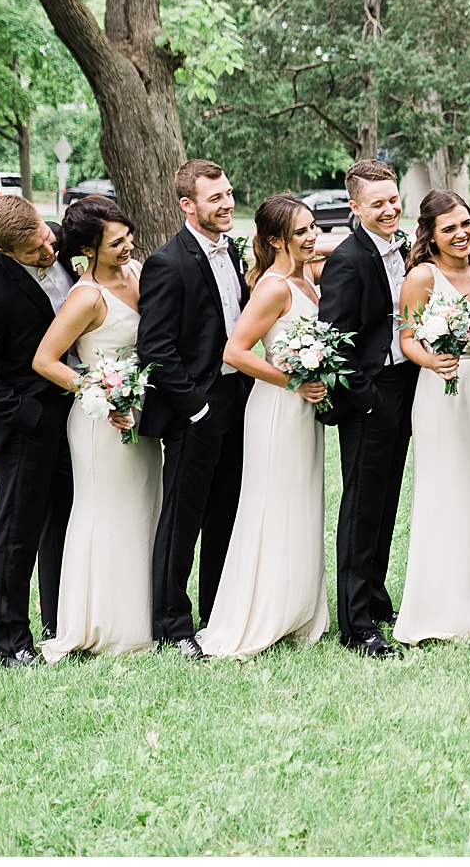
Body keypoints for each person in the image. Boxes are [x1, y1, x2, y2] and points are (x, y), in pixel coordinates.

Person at [196, 194, 331, 659]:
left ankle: (296, 607)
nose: (312, 237)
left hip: (304, 409)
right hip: (277, 408)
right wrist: (293, 381)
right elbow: (235, 352)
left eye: (313, 227)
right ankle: (262, 611)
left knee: (300, 503)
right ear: (275, 240)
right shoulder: (274, 287)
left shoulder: (305, 276)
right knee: (272, 504)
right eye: (301, 232)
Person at [32, 197, 162, 661]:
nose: (129, 247)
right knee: (106, 515)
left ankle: (142, 615)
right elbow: (46, 360)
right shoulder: (86, 297)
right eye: (116, 243)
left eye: (128, 237)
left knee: (143, 510)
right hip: (101, 422)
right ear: (89, 249)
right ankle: (102, 623)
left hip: (141, 415)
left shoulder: (137, 271)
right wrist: (104, 395)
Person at [0, 196, 79, 667]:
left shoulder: (55, 238)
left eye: (46, 239)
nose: (48, 251)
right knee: (16, 534)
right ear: (6, 251)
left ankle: (60, 621)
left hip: (74, 413)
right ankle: (10, 642)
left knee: (65, 520)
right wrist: (28, 413)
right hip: (26, 424)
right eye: (34, 251)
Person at [138, 160, 251, 659]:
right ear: (188, 205)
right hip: (194, 410)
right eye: (215, 198)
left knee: (225, 512)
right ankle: (171, 624)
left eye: (228, 193)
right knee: (183, 520)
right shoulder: (168, 262)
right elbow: (156, 347)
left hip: (235, 399)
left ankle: (216, 613)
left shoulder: (232, 250)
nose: (227, 203)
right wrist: (197, 409)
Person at [393, 191, 470, 645]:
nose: (461, 234)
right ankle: (439, 606)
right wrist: (432, 360)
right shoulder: (423, 276)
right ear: (431, 235)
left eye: (465, 223)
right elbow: (406, 338)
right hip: (441, 391)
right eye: (449, 228)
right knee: (444, 493)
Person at [318, 159, 416, 659]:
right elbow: (332, 343)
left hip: (404, 387)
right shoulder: (348, 259)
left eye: (393, 199)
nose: (389, 209)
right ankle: (356, 625)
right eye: (377, 204)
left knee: (386, 502)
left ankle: (376, 599)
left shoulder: (406, 249)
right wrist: (368, 399)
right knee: (360, 509)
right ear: (355, 207)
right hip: (370, 397)